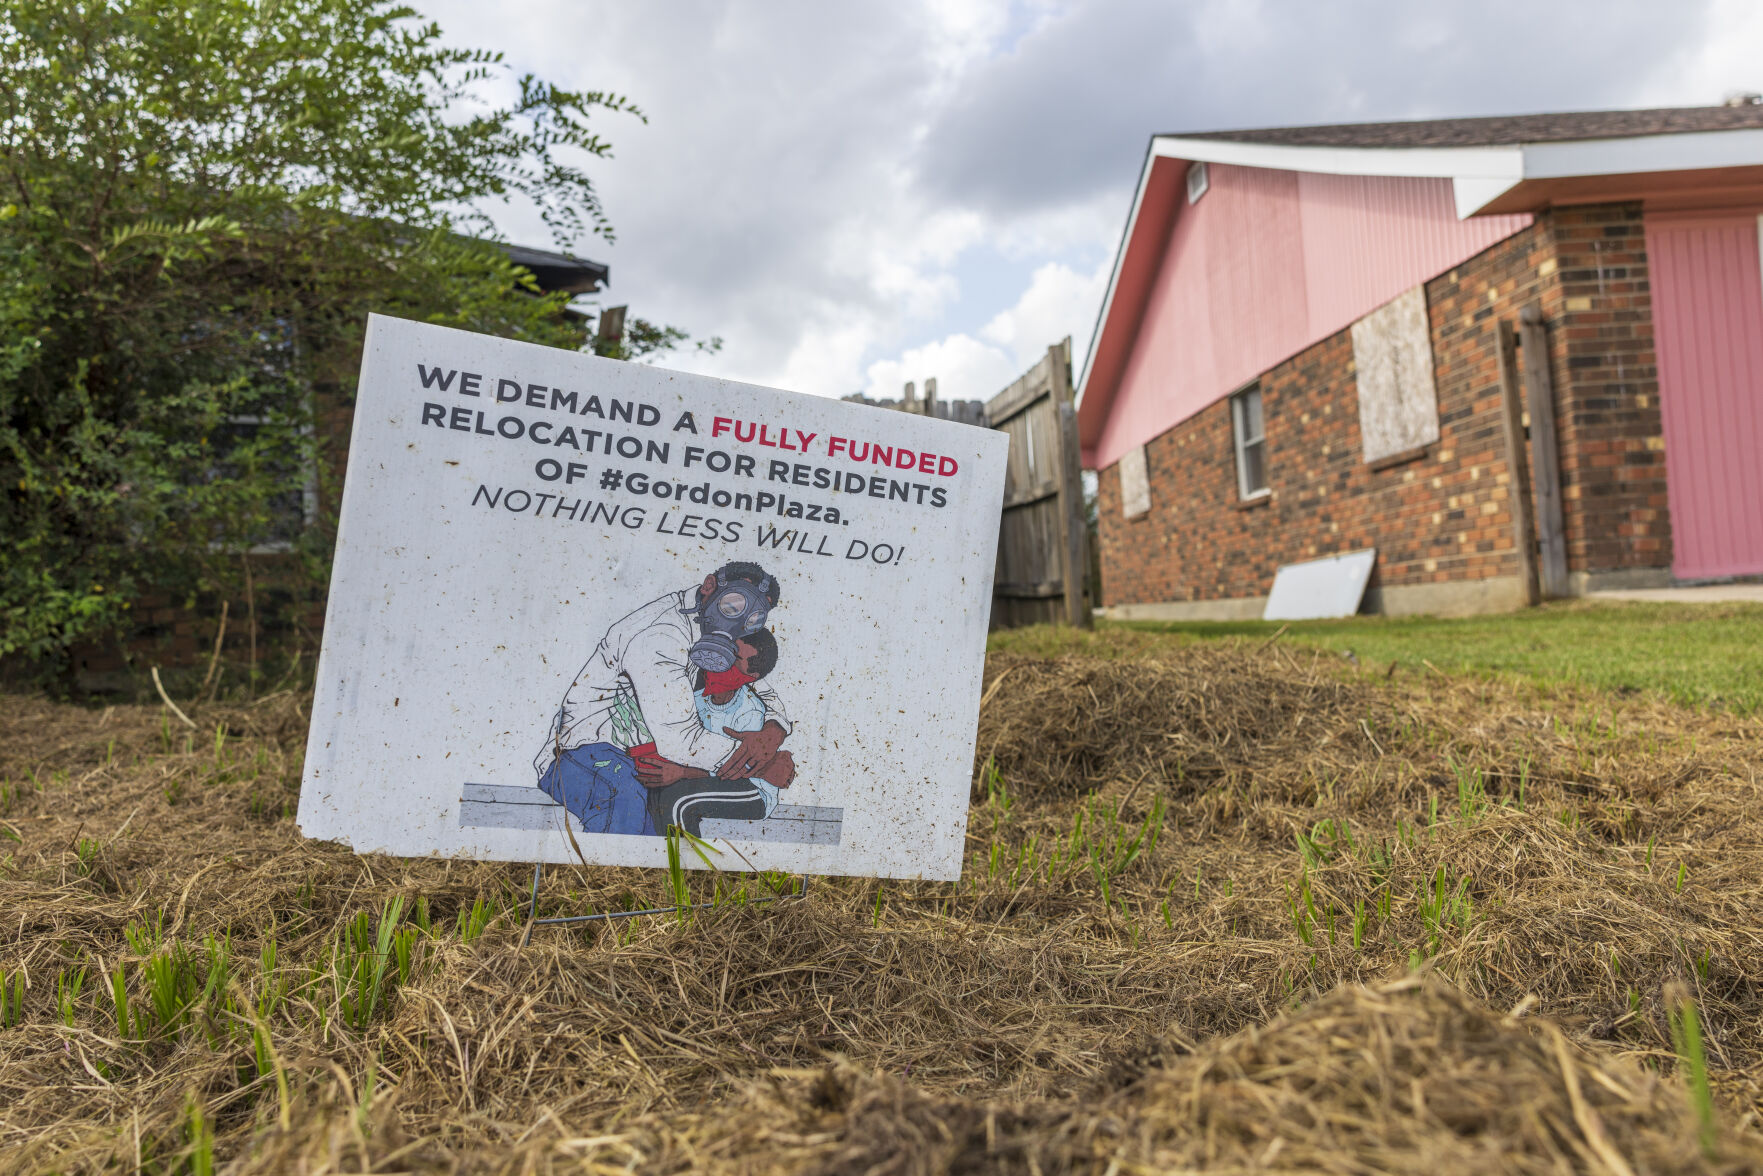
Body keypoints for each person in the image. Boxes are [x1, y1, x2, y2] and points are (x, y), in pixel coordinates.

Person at [535, 561, 792, 835]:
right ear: (709, 587)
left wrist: (774, 729)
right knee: (624, 801)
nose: (738, 623)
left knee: (659, 819)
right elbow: (681, 739)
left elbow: (762, 689)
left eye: (752, 620)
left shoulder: (713, 632)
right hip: (577, 756)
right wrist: (762, 765)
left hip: (635, 758)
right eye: (733, 606)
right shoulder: (660, 635)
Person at [636, 629, 798, 837]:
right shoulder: (696, 696)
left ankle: (684, 867)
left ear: (751, 678)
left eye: (734, 658)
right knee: (656, 794)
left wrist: (682, 773)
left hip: (750, 789)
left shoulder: (750, 710)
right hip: (708, 778)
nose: (723, 659)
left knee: (679, 801)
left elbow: (733, 771)